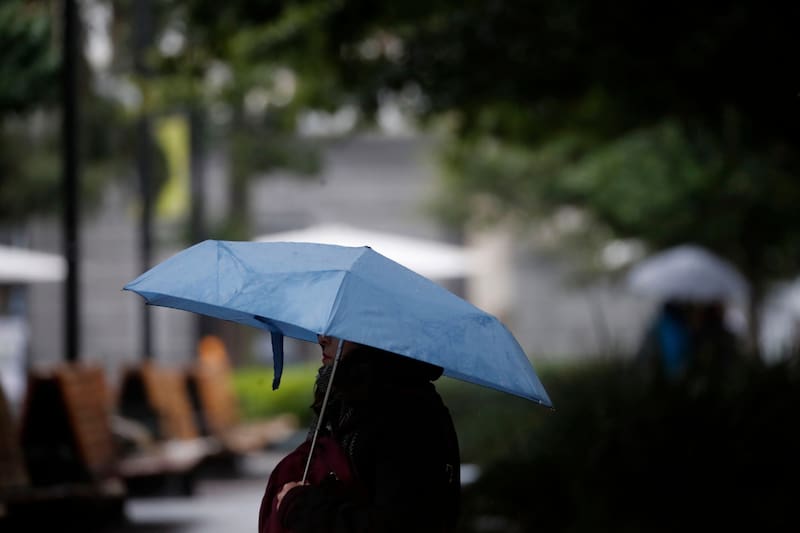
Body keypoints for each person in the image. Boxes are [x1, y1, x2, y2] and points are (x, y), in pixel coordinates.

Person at [259, 335, 461, 533]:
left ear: (374, 331)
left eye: (339, 330)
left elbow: (397, 522)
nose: (322, 339)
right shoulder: (343, 399)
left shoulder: (405, 413)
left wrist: (301, 505)